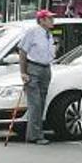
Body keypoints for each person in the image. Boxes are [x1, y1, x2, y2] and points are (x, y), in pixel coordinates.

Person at [18, 9, 57, 145]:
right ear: (41, 20)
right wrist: (23, 72)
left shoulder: (49, 34)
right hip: (33, 67)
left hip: (46, 68)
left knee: (41, 101)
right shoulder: (32, 32)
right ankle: (36, 135)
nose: (52, 21)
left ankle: (33, 133)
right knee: (35, 103)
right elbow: (23, 52)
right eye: (49, 18)